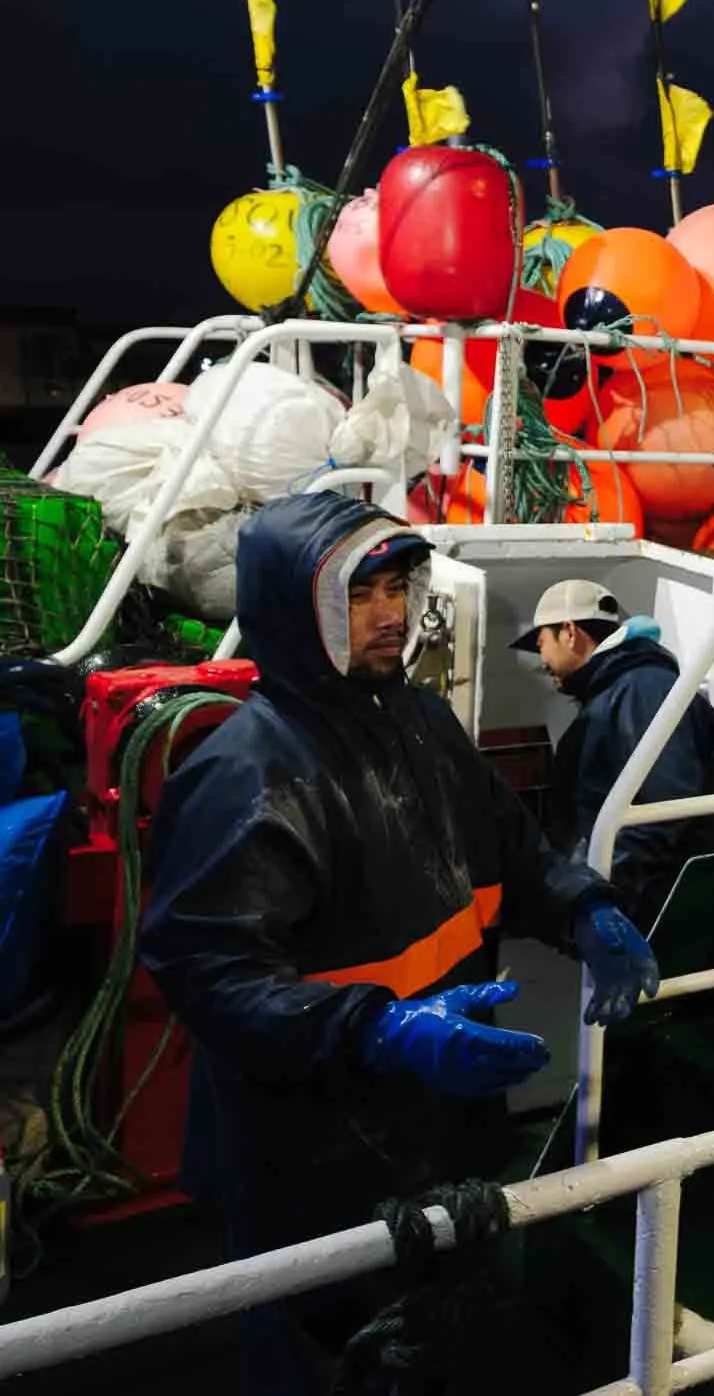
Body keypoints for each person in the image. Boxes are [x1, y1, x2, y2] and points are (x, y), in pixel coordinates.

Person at [142, 492, 661, 1395]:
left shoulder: (421, 725)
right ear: (289, 608)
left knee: (434, 1351)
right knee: (316, 1360)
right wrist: (379, 1030)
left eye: (396, 585)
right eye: (358, 592)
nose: (389, 613)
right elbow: (213, 977)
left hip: (436, 1130)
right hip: (305, 1155)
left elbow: (514, 853)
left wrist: (586, 910)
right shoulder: (244, 774)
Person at [515, 578, 714, 929]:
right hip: (654, 895)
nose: (542, 661)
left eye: (541, 644)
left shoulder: (642, 689)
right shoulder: (621, 689)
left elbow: (667, 802)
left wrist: (602, 889)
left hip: (669, 904)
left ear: (569, 633)